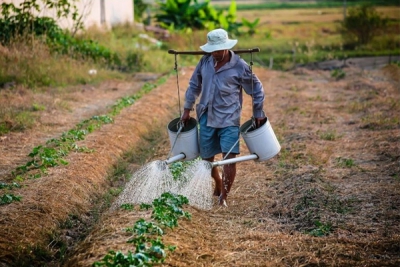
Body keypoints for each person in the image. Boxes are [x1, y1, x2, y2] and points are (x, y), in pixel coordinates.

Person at [180, 28, 266, 207]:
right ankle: (218, 181)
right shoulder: (204, 62)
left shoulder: (239, 66)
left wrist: (258, 112)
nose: (216, 54)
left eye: (219, 50)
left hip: (229, 119)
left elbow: (257, 89)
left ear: (227, 47)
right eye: (213, 50)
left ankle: (223, 198)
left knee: (229, 158)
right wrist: (187, 109)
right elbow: (194, 85)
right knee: (207, 159)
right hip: (206, 116)